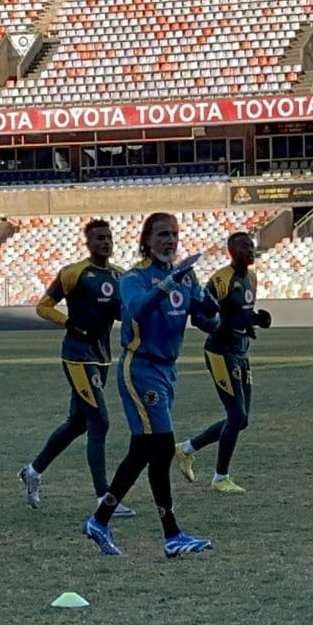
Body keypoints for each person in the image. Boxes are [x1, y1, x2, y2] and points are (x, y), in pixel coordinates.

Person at [82, 212, 217, 558]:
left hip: (167, 371)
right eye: (161, 234)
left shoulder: (186, 277)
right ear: (146, 240)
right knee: (161, 447)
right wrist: (170, 282)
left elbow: (204, 320)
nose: (169, 241)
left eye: (173, 234)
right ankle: (171, 534)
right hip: (140, 369)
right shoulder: (134, 278)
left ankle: (99, 520)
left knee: (143, 450)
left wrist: (212, 310)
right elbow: (136, 309)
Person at [18, 218, 133, 518]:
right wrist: (69, 323)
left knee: (78, 424)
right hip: (77, 356)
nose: (105, 243)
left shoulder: (120, 276)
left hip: (102, 357)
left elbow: (124, 314)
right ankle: (103, 498)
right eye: (99, 238)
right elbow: (43, 307)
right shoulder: (73, 273)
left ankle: (33, 470)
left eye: (108, 237)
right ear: (88, 243)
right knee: (100, 422)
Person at [177, 231, 271, 493]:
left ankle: (186, 449)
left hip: (240, 351)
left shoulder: (251, 278)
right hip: (220, 352)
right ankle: (220, 477)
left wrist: (254, 321)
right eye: (244, 247)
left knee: (242, 420)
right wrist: (215, 326)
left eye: (252, 246)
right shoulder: (220, 279)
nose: (250, 250)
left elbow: (239, 313)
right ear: (231, 251)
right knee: (236, 414)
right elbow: (201, 316)